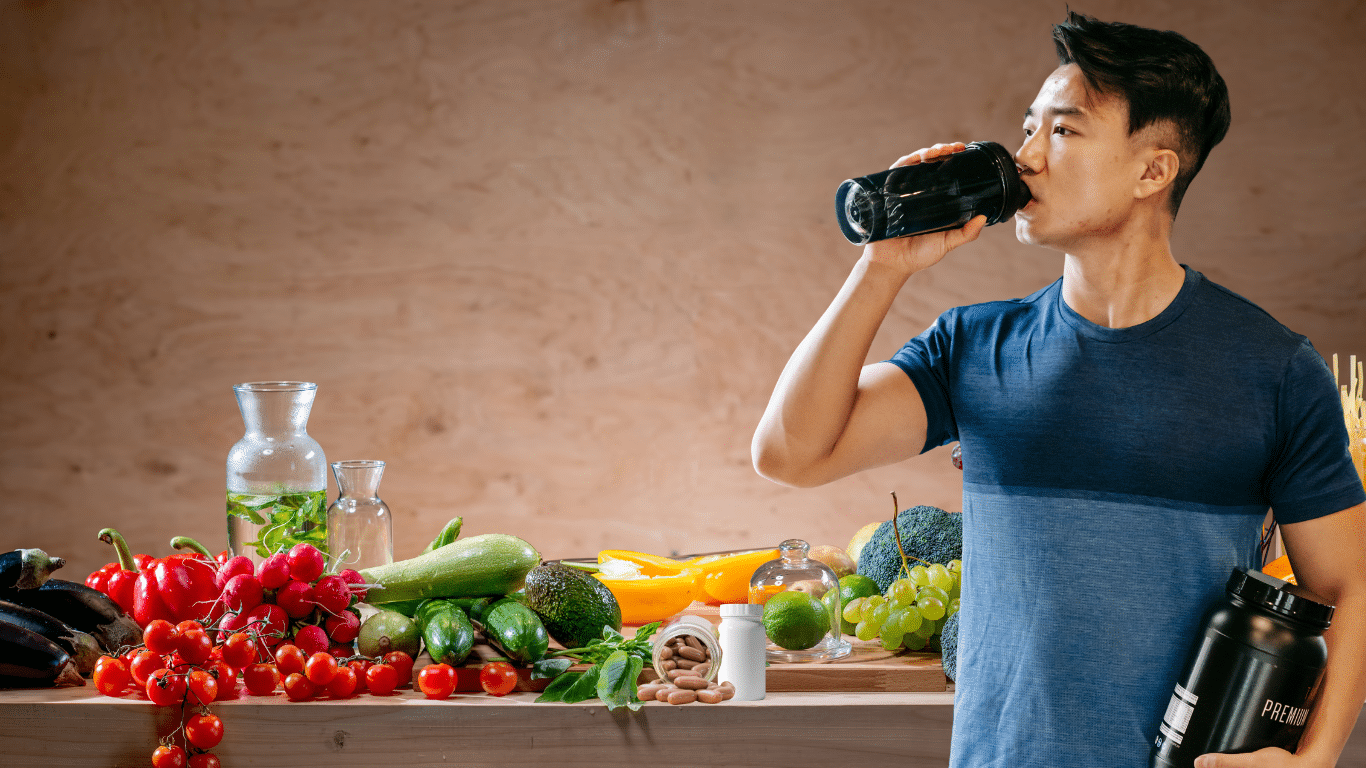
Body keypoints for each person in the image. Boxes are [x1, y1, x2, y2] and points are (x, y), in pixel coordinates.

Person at [751, 10, 1366, 768]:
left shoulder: (1271, 367)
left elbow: (1347, 586)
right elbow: (789, 453)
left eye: (1065, 132)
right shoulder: (972, 345)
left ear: (1154, 171)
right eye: (1028, 127)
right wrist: (882, 267)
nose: (1027, 157)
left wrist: (1316, 760)